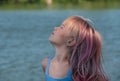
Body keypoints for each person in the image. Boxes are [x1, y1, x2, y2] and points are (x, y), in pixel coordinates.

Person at [42, 16, 109, 81]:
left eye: (62, 27)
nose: (55, 28)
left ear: (70, 41)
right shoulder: (46, 64)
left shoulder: (79, 70)